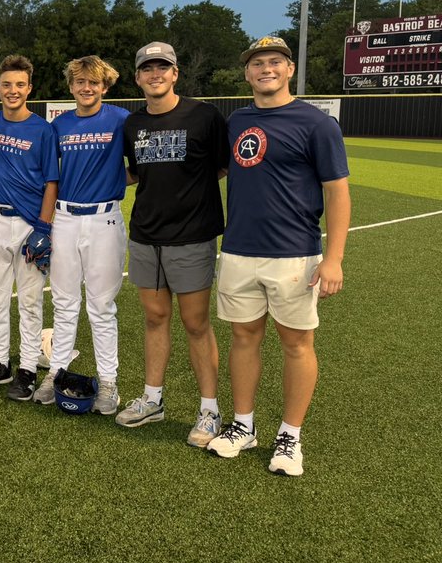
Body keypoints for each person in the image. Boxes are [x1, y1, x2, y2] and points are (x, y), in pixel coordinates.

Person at [207, 36, 350, 477]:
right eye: (256, 64)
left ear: (289, 69)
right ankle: (243, 425)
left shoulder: (315, 123)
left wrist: (334, 258)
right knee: (244, 337)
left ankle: (290, 435)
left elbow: (338, 191)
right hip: (238, 249)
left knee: (297, 343)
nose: (264, 69)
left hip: (294, 254)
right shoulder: (237, 121)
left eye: (274, 62)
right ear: (247, 73)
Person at [116, 42, 229, 449]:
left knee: (196, 323)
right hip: (146, 233)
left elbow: (222, 164)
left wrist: (189, 195)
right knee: (154, 318)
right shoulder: (132, 124)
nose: (155, 74)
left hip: (192, 235)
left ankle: (210, 409)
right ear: (137, 77)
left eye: (163, 67)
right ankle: (152, 399)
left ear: (176, 73)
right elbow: (133, 174)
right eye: (147, 68)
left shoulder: (204, 116)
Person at [35, 56, 129, 414]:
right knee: (63, 302)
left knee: (102, 307)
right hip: (65, 218)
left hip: (104, 219)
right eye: (79, 82)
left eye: (93, 82)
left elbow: (137, 167)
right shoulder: (59, 125)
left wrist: (115, 181)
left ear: (105, 86)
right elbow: (47, 174)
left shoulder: (122, 120)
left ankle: (108, 383)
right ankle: (55, 373)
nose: (86, 88)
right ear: (70, 86)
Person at [0, 54, 59, 400]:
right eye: (7, 84)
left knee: (30, 301)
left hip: (28, 223)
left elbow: (52, 181)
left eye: (19, 85)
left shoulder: (42, 129)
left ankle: (26, 370)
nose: (13, 90)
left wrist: (44, 227)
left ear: (29, 88)